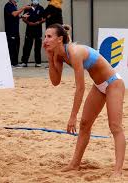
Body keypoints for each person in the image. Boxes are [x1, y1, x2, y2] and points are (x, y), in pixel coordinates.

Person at [43, 23, 125, 178]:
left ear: (60, 39)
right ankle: (74, 164)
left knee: (115, 126)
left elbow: (80, 88)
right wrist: (49, 58)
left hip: (113, 83)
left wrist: (72, 116)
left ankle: (118, 171)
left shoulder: (74, 52)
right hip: (99, 86)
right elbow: (55, 81)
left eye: (49, 36)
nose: (45, 40)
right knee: (85, 124)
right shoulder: (57, 54)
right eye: (45, 36)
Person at [4, 0, 31, 68]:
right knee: (11, 47)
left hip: (16, 30)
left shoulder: (14, 6)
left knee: (16, 46)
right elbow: (14, 14)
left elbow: (14, 17)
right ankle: (11, 63)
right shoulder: (8, 6)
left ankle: (15, 63)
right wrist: (24, 8)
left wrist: (22, 16)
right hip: (10, 31)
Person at [20, 0, 45, 67]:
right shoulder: (28, 7)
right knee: (27, 46)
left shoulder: (41, 8)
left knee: (37, 46)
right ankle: (24, 62)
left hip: (38, 29)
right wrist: (29, 23)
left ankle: (38, 62)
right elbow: (23, 18)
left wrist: (39, 22)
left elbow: (44, 19)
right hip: (29, 29)